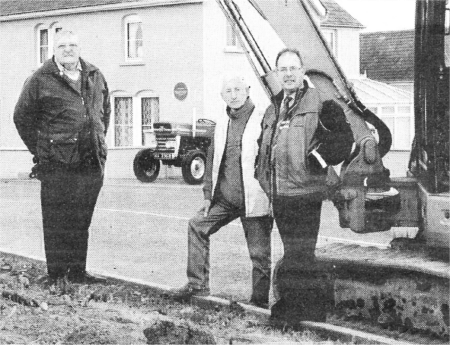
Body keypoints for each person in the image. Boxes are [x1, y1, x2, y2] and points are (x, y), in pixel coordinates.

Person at [255, 48, 353, 322]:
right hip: (281, 194)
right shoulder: (273, 107)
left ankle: (299, 310)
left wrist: (318, 160)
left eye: (293, 68)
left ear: (302, 71)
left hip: (305, 194)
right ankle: (302, 309)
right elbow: (265, 146)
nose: (288, 73)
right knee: (293, 252)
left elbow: (344, 140)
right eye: (282, 69)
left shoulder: (321, 102)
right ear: (276, 74)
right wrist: (260, 171)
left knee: (301, 253)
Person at [14, 30, 111, 285]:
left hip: (90, 162)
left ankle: (78, 272)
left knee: (81, 219)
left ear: (79, 48)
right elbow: (22, 117)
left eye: (73, 45)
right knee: (57, 220)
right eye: (62, 45)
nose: (68, 49)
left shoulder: (94, 75)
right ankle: (57, 275)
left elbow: (104, 113)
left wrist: (98, 142)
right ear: (53, 50)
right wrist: (42, 149)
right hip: (56, 163)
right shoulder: (40, 78)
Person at [169, 75, 273, 308]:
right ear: (222, 95)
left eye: (237, 89)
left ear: (247, 90)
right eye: (228, 91)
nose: (233, 95)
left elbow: (270, 159)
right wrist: (208, 196)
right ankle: (197, 286)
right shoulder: (223, 123)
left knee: (259, 255)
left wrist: (272, 195)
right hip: (225, 200)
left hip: (254, 199)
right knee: (197, 225)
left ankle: (259, 304)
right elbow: (212, 159)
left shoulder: (262, 119)